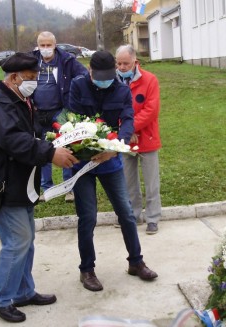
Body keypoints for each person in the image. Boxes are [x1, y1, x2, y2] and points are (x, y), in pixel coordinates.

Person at [0, 53, 79, 323]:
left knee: (27, 241)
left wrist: (62, 137)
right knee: (17, 242)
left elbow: (33, 134)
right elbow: (14, 140)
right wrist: (50, 154)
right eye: (31, 78)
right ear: (14, 78)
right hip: (4, 185)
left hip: (22, 184)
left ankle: (23, 291)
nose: (35, 82)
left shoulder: (21, 99)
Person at [68, 50, 158, 292]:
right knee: (87, 217)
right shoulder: (78, 87)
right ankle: (87, 269)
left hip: (110, 161)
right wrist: (88, 149)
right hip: (83, 163)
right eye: (100, 76)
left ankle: (136, 262)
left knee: (126, 213)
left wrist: (116, 146)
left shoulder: (120, 88)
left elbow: (127, 119)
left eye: (110, 76)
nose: (105, 80)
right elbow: (73, 121)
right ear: (90, 71)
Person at [32, 31, 87, 202]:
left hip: (60, 111)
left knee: (66, 146)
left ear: (55, 45)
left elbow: (84, 75)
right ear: (38, 45)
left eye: (49, 45)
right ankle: (46, 188)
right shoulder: (32, 60)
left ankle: (68, 188)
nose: (46, 48)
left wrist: (72, 94)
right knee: (43, 149)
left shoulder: (66, 60)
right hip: (37, 112)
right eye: (43, 45)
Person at [115, 44, 162, 234]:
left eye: (126, 63)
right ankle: (133, 215)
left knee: (151, 181)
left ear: (135, 61)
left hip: (147, 137)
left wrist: (129, 127)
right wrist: (125, 131)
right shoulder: (113, 82)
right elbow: (111, 109)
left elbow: (151, 110)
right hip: (125, 140)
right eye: (118, 63)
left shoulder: (150, 80)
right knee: (128, 180)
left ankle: (153, 218)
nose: (122, 67)